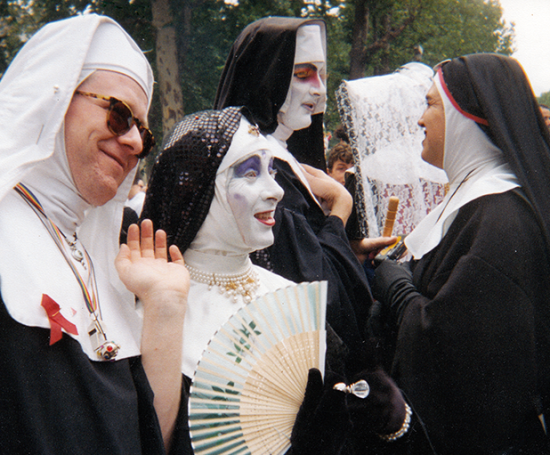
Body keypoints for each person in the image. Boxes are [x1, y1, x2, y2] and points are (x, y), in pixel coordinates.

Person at [142, 106, 409, 454]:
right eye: (250, 174)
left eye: (271, 171)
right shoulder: (152, 311)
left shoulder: (286, 296)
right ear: (199, 190)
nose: (276, 191)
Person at [0, 14, 190, 454]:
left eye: (143, 130)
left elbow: (148, 441)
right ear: (55, 95)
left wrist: (165, 308)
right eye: (119, 114)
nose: (136, 143)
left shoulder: (95, 257)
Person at [372, 54, 550, 454]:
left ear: (469, 118)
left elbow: (465, 359)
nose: (420, 119)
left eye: (432, 104)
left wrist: (400, 296)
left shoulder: (503, 218)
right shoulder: (480, 203)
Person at [213, 16, 396, 379]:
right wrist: (339, 211)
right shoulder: (261, 171)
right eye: (302, 75)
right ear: (266, 75)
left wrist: (350, 248)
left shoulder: (280, 157)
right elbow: (323, 297)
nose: (319, 91)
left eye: (322, 75)